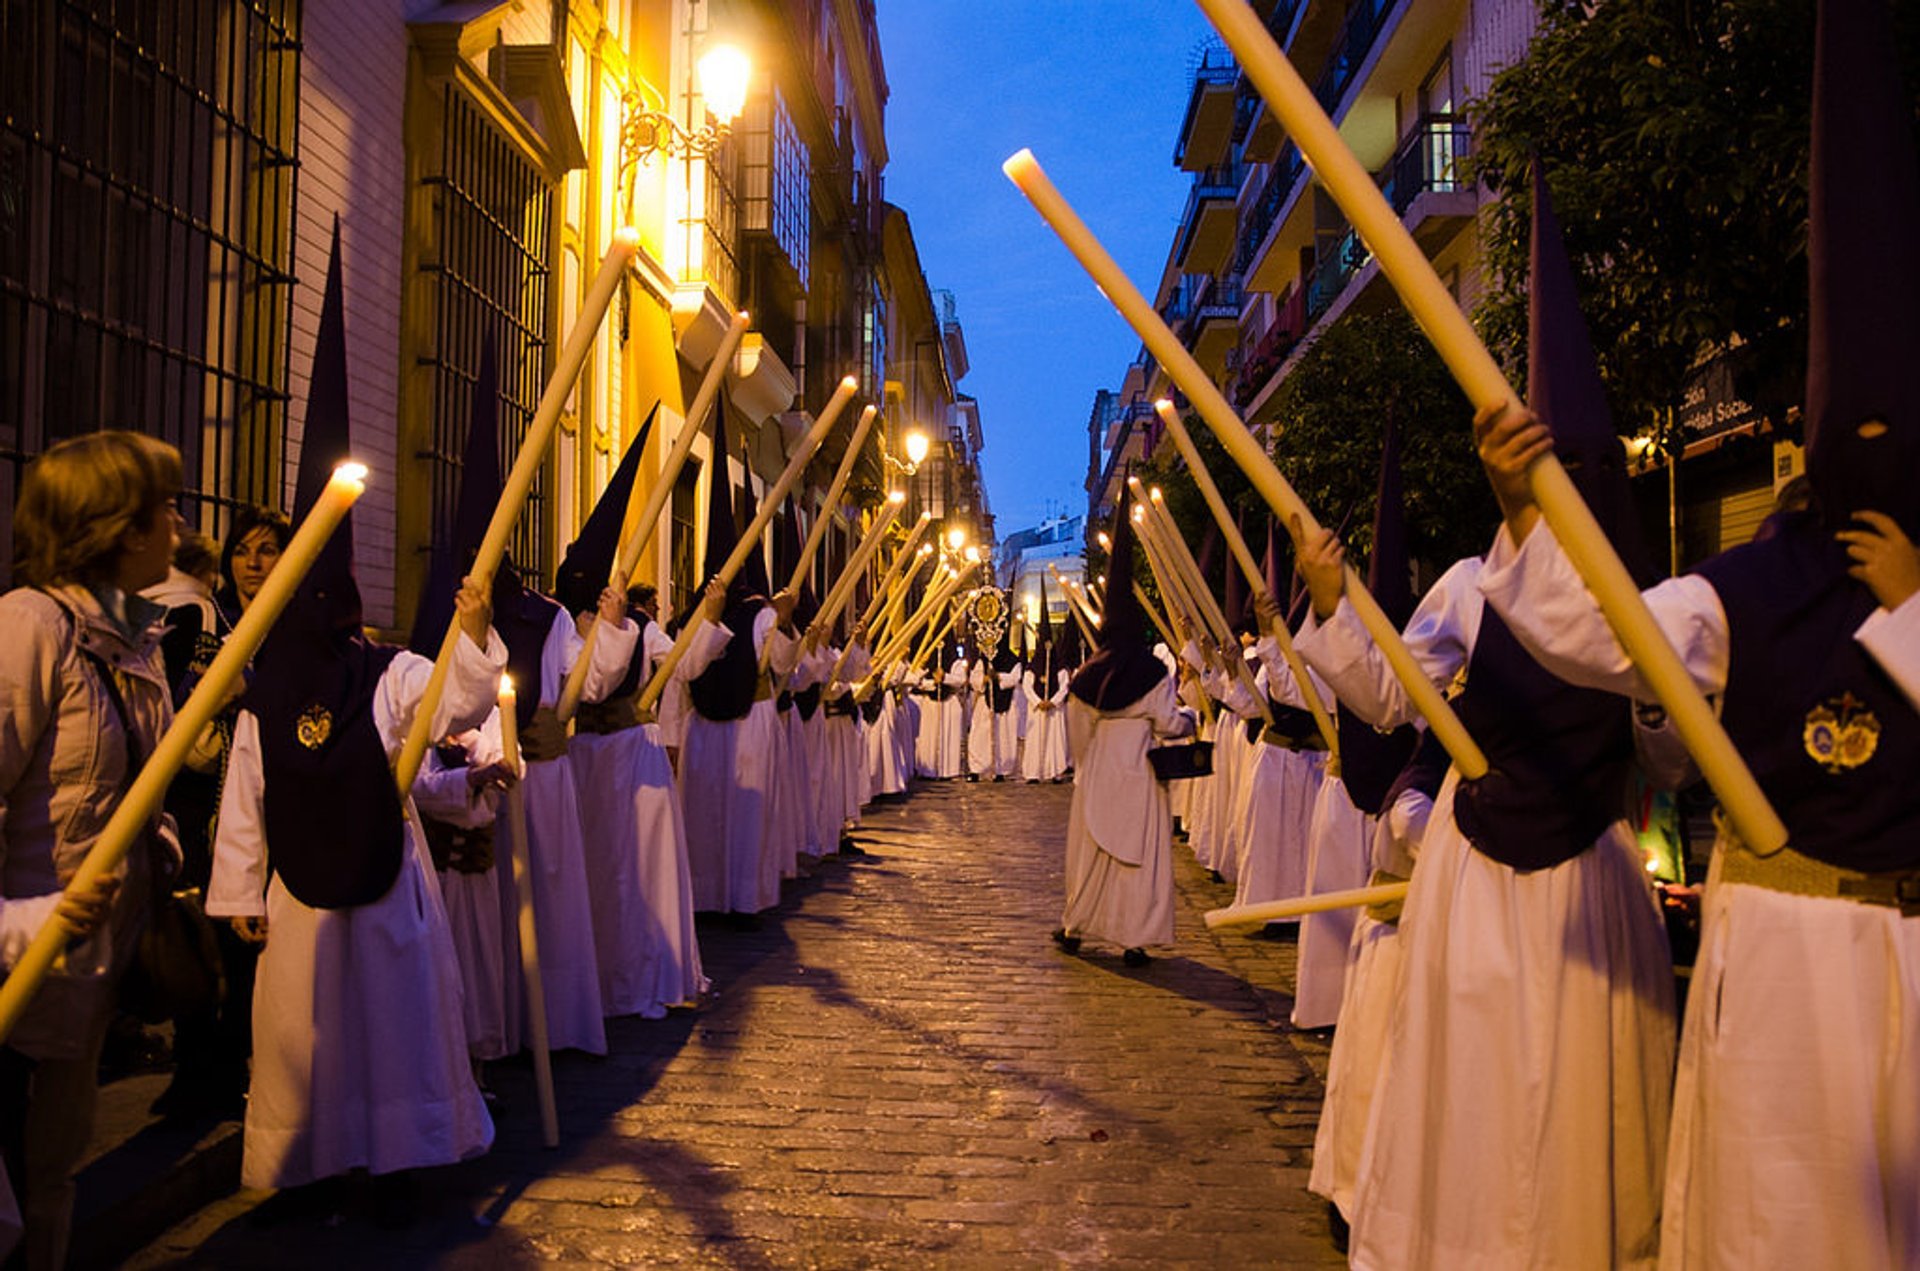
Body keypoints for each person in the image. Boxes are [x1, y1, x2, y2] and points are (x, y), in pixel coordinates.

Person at [1476, 7, 1919, 1256]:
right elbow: (1601, 632)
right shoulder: (1758, 580)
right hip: (1793, 954)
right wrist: (1524, 509)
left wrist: (1910, 611)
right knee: (1785, 1219)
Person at [0, 430, 180, 1270]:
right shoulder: (30, 629)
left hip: (93, 964)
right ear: (116, 525)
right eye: (162, 509)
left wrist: (163, 844)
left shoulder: (134, 638)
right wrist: (29, 917)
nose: (176, 526)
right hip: (21, 968)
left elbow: (140, 783)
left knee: (54, 1171)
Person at [1054, 487, 1195, 967]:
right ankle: (1134, 938)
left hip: (1099, 771)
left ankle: (1077, 926)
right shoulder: (1155, 673)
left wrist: (1085, 764)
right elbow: (1171, 724)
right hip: (1138, 771)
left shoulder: (1087, 677)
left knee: (1093, 855)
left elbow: (1077, 732)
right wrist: (1191, 720)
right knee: (1139, 858)